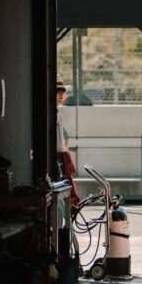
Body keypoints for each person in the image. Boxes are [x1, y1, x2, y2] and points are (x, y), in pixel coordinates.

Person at [55, 75, 80, 205]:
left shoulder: (58, 112)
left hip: (60, 157)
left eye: (63, 91)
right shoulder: (51, 113)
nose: (61, 94)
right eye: (57, 91)